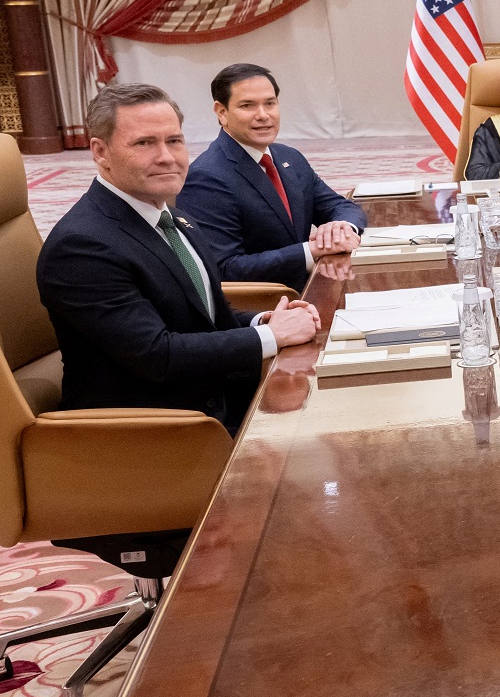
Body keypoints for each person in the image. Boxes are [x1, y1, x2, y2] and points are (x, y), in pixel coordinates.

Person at [38, 84, 322, 436]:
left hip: (216, 398)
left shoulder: (173, 218)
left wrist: (260, 320)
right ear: (100, 152)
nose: (166, 157)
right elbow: (158, 355)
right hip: (158, 431)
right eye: (144, 143)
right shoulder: (82, 247)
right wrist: (270, 336)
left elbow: (198, 317)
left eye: (174, 141)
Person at [176, 64, 368, 291]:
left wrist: (342, 228)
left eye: (270, 103)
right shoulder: (205, 178)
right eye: (247, 105)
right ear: (221, 112)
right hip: (267, 304)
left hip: (314, 287)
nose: (263, 115)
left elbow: (341, 206)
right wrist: (310, 251)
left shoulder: (289, 157)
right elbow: (225, 268)